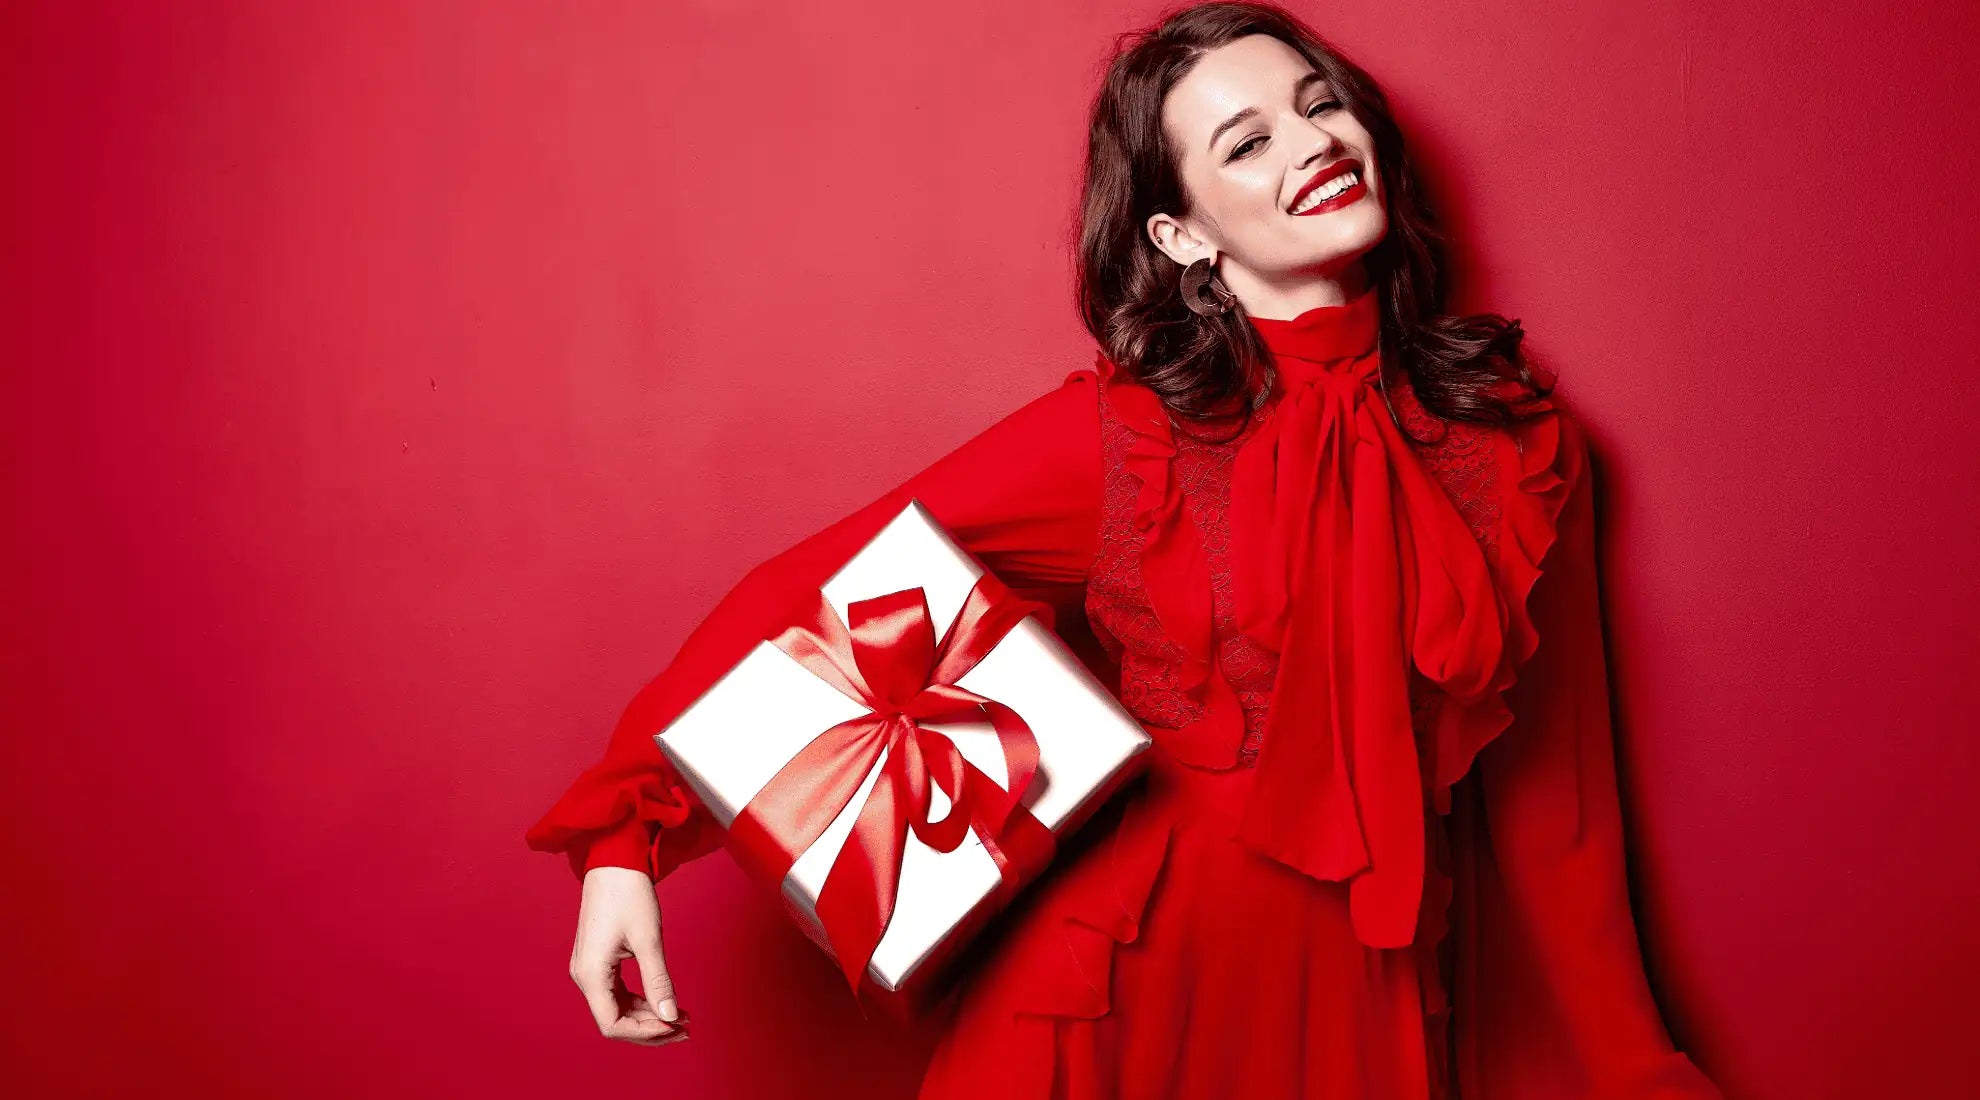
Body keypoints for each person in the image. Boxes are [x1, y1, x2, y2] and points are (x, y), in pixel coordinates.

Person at [525, 3, 1725, 1096]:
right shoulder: (1125, 436)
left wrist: (1636, 1064)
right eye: (1245, 143)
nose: (1310, 143)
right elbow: (806, 590)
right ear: (1181, 232)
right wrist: (622, 841)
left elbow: (1555, 811)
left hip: (1358, 1006)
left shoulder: (1515, 443)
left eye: (1319, 105)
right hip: (1102, 996)